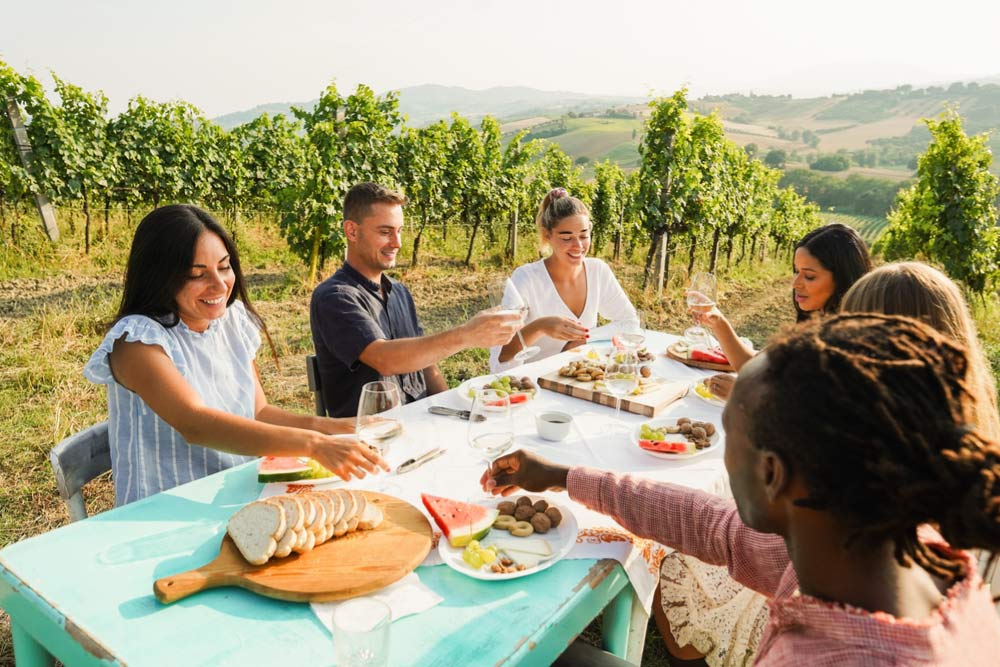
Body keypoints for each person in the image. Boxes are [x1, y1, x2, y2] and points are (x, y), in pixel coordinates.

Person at [485, 314, 1000, 666]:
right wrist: (563, 476)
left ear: (773, 473)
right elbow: (711, 524)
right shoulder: (884, 547)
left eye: (731, 431)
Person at [84, 205, 386, 507]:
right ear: (159, 276)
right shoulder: (138, 341)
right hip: (169, 509)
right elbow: (195, 423)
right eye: (196, 274)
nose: (219, 284)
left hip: (239, 493)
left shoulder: (231, 321)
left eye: (224, 266)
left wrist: (336, 428)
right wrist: (314, 444)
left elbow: (257, 412)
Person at [310, 182, 521, 417]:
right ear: (352, 231)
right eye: (385, 232)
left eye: (399, 231)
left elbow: (426, 362)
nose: (397, 243)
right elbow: (384, 359)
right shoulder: (335, 297)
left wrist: (458, 413)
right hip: (372, 436)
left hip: (421, 421)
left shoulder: (399, 292)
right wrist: (465, 335)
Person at [696, 222, 872, 398]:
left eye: (809, 276)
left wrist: (746, 395)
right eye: (796, 271)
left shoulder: (851, 347)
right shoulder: (813, 325)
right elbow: (754, 367)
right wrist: (718, 322)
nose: (795, 283)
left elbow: (817, 416)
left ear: (842, 279)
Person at [489, 187, 637, 372]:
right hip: (534, 383)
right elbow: (500, 360)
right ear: (547, 235)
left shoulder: (597, 270)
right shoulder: (526, 278)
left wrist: (585, 338)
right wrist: (539, 327)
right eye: (566, 237)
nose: (578, 246)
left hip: (579, 378)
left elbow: (630, 323)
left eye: (584, 235)